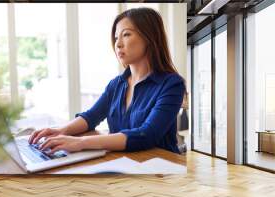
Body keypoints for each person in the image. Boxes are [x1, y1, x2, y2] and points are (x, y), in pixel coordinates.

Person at [28, 7, 186, 154]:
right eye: (116, 37)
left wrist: (81, 142)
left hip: (160, 171)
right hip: (123, 163)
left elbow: (147, 134)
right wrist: (61, 131)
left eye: (126, 34)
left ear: (149, 38)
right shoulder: (116, 84)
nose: (118, 44)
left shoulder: (172, 84)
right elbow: (91, 117)